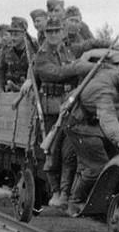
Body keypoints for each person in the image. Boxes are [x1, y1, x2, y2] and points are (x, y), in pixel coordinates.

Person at [31, 17, 97, 208]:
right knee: (52, 151)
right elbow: (53, 74)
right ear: (45, 34)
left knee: (69, 153)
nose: (53, 35)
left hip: (69, 108)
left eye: (57, 31)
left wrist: (112, 44)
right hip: (52, 108)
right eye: (49, 32)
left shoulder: (70, 50)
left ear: (63, 32)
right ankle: (55, 192)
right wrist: (76, 67)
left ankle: (65, 193)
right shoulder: (41, 55)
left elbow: (90, 43)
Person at [66, 60, 119, 217]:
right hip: (80, 126)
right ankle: (75, 202)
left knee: (104, 155)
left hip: (88, 124)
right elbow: (107, 115)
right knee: (98, 167)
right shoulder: (104, 90)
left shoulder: (112, 74)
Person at [0, 19, 29, 92]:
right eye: (12, 35)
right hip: (10, 90)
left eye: (17, 35)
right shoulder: (5, 51)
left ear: (24, 34)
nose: (13, 38)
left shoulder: (31, 49)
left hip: (28, 90)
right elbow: (0, 70)